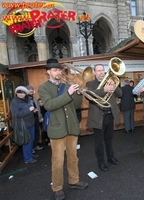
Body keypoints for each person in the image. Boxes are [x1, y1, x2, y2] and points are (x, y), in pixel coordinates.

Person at [38, 58, 88, 200]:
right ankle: (57, 188)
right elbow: (49, 105)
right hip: (57, 129)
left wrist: (78, 94)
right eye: (55, 70)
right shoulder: (43, 88)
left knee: (73, 158)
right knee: (58, 161)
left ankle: (74, 180)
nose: (58, 72)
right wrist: (69, 94)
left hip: (71, 127)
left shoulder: (67, 86)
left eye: (59, 70)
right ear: (48, 72)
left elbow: (76, 105)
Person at [86, 63, 122, 172]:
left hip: (109, 115)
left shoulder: (110, 81)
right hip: (98, 117)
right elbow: (90, 96)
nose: (101, 72)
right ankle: (101, 162)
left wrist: (114, 85)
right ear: (94, 72)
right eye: (99, 71)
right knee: (99, 142)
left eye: (102, 70)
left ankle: (111, 157)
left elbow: (120, 94)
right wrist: (104, 90)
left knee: (109, 139)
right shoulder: (90, 84)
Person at [10, 86, 38, 164]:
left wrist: (33, 110)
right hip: (22, 125)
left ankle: (30, 155)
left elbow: (30, 108)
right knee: (26, 141)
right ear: (16, 93)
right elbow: (16, 114)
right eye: (18, 93)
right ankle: (28, 158)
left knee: (31, 139)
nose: (20, 95)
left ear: (25, 93)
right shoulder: (14, 102)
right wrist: (29, 110)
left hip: (30, 122)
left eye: (22, 93)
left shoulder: (28, 99)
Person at [26, 85, 43, 151]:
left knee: (37, 132)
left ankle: (35, 146)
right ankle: (31, 148)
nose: (31, 90)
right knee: (31, 134)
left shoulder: (35, 99)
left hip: (36, 118)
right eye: (29, 89)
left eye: (32, 89)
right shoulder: (25, 100)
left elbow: (38, 109)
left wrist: (40, 117)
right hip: (30, 119)